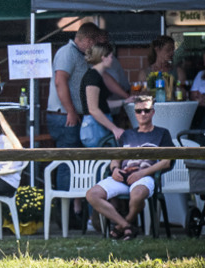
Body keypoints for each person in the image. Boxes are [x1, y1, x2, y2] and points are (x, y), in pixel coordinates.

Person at [85, 95, 174, 240]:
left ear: (153, 112)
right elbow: (116, 159)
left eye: (146, 110)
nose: (142, 114)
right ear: (135, 113)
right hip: (123, 177)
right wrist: (115, 170)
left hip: (145, 176)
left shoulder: (162, 133)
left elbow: (167, 162)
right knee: (92, 194)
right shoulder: (127, 134)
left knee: (138, 195)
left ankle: (120, 227)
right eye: (139, 111)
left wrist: (142, 173)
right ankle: (127, 226)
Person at [45, 22, 103, 151]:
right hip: (64, 116)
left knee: (75, 157)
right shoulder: (67, 53)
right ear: (88, 40)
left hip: (69, 115)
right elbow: (60, 81)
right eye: (95, 43)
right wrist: (70, 111)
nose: (96, 47)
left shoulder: (79, 54)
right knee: (69, 157)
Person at [79, 41, 128, 147]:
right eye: (110, 56)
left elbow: (103, 104)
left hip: (97, 125)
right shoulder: (92, 77)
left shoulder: (97, 76)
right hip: (94, 127)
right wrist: (114, 128)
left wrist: (125, 101)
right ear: (103, 58)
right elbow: (93, 109)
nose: (112, 59)